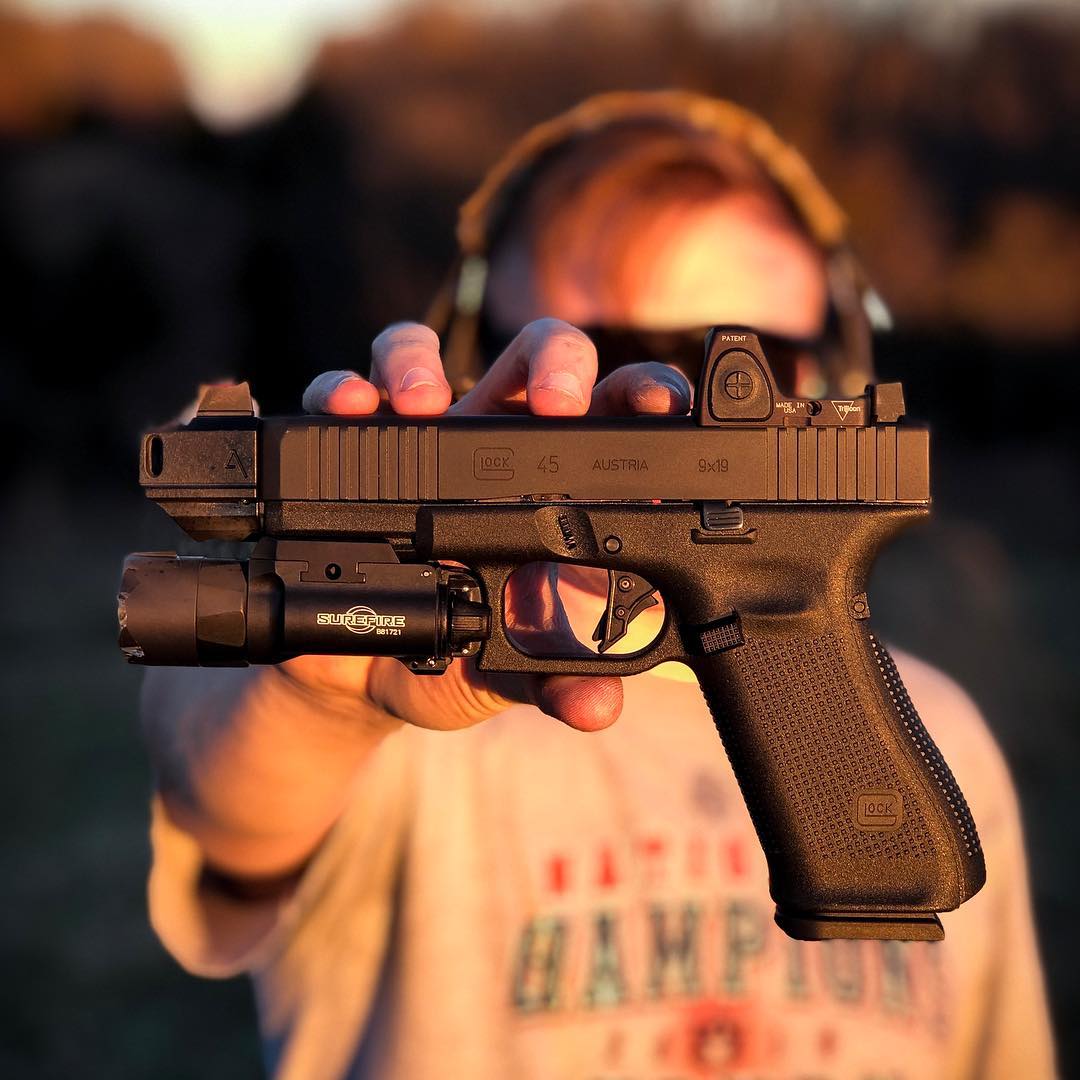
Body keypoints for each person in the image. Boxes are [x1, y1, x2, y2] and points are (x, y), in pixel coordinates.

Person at [140, 92, 1056, 1080]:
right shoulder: (411, 734)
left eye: (735, 364)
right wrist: (319, 697)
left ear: (834, 375)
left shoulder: (947, 730)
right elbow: (223, 798)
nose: (654, 404)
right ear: (480, 366)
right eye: (595, 355)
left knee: (882, 863)